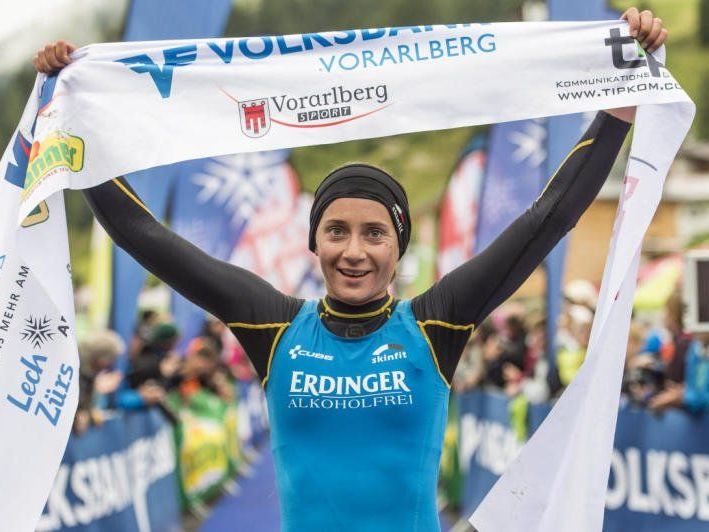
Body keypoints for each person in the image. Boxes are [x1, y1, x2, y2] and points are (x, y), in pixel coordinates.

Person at [34, 8, 667, 531]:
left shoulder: (436, 324)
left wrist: (616, 113)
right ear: (315, 242)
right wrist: (74, 121)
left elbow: (547, 220)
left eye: (374, 233)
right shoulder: (274, 327)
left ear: (398, 248)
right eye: (336, 230)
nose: (354, 251)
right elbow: (144, 236)